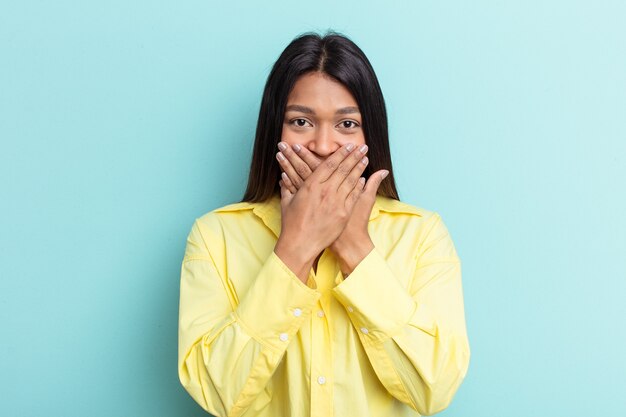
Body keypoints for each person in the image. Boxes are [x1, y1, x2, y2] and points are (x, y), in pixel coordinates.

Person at [178, 31, 470, 417]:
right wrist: (294, 248)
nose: (323, 145)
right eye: (301, 121)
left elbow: (434, 389)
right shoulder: (215, 237)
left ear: (371, 134)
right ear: (273, 131)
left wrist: (354, 246)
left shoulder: (422, 235)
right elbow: (217, 393)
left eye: (347, 124)